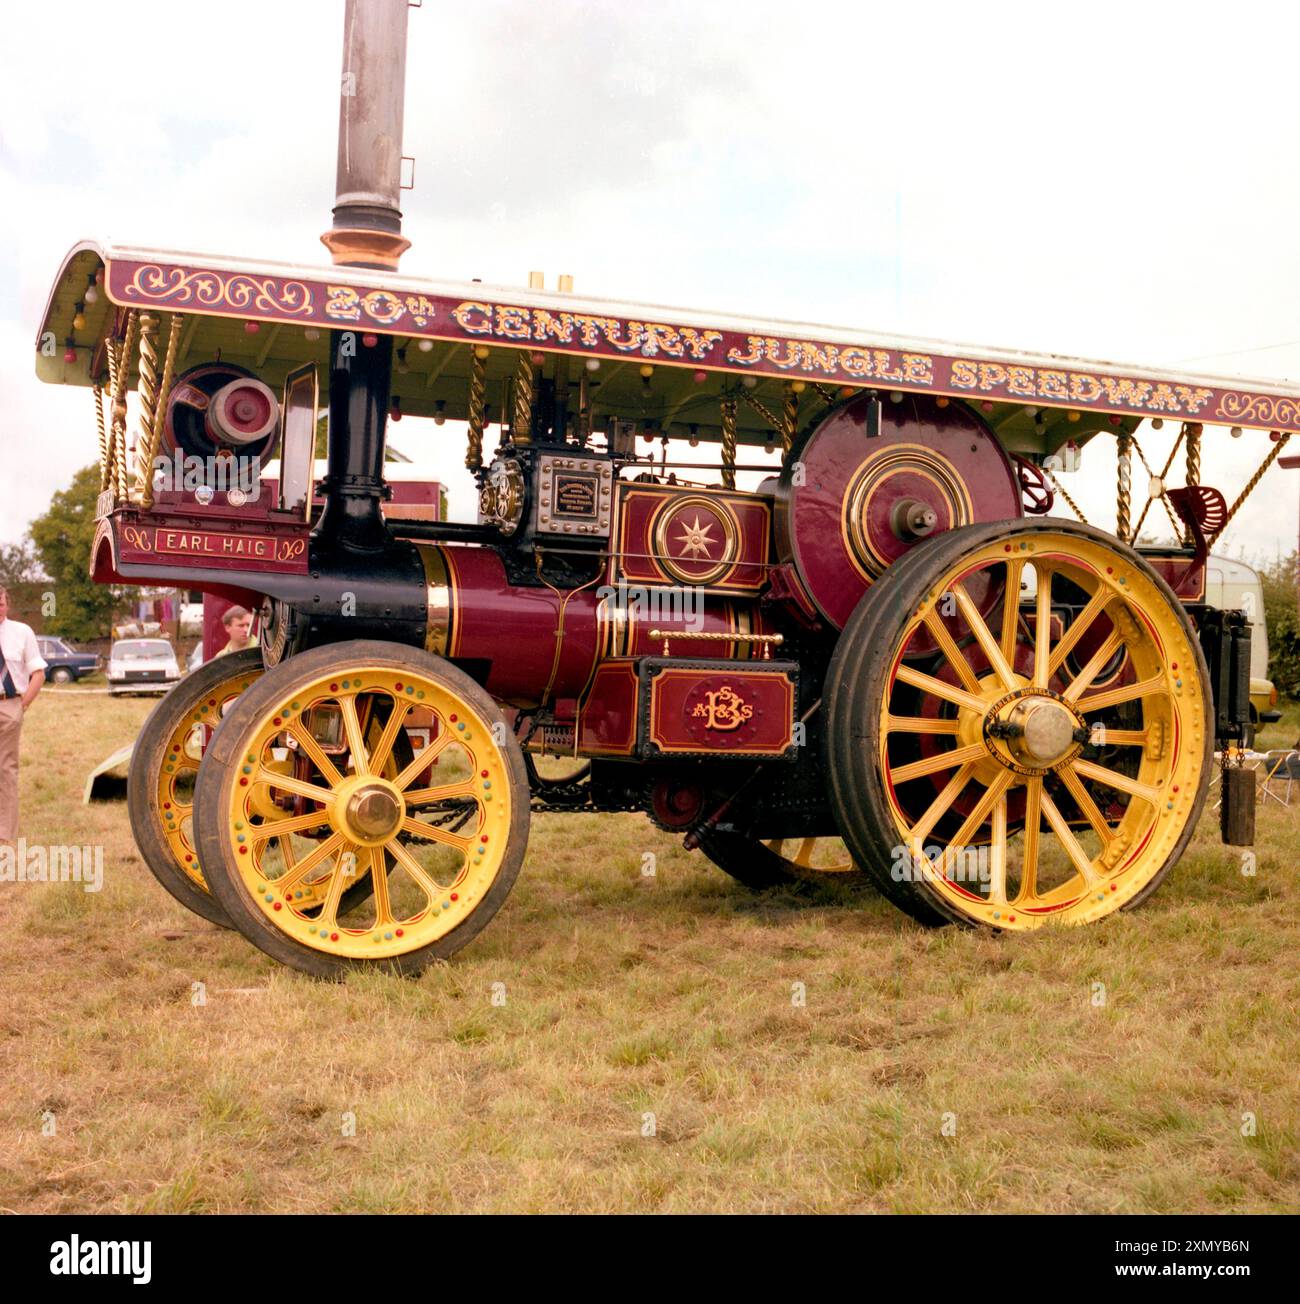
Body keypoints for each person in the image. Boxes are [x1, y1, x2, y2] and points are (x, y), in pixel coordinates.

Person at [0, 586, 47, 845]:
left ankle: (4, 835)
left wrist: (22, 705)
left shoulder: (22, 632)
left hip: (9, 706)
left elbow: (38, 673)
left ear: (7, 604)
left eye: (1, 603)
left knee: (5, 771)